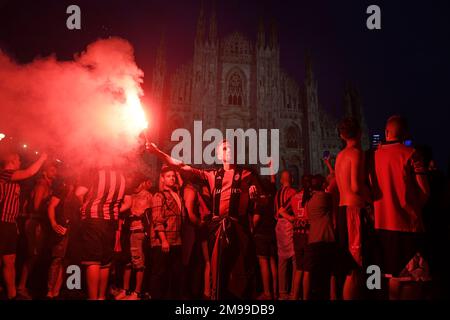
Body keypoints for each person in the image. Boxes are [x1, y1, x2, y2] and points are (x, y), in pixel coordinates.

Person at [146, 140, 260, 299]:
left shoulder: (248, 174)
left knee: (242, 270)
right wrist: (158, 152)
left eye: (232, 148)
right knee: (218, 270)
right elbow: (181, 166)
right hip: (218, 228)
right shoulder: (212, 175)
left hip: (239, 229)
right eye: (225, 148)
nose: (229, 151)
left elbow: (261, 202)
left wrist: (255, 198)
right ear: (219, 155)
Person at [370, 115, 430, 300]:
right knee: (412, 283)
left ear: (387, 132)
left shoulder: (372, 156)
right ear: (405, 133)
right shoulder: (411, 153)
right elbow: (425, 192)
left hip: (381, 228)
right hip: (407, 228)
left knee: (390, 282)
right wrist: (412, 207)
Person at [75, 160, 130, 300]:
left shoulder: (94, 174)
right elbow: (128, 203)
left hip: (92, 220)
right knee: (105, 261)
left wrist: (83, 206)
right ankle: (101, 297)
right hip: (110, 222)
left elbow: (78, 193)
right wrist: (113, 210)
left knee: (92, 260)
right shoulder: (122, 177)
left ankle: (93, 298)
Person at [0, 148, 47, 300]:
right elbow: (29, 172)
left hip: (8, 224)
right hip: (1, 223)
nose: (21, 162)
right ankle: (10, 293)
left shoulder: (13, 179)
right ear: (12, 161)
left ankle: (12, 294)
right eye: (19, 160)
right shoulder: (5, 174)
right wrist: (42, 158)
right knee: (7, 260)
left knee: (10, 260)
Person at [334, 117, 371, 299]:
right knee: (354, 268)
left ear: (341, 135)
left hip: (343, 211)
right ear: (359, 132)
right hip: (353, 212)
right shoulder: (356, 153)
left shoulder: (340, 156)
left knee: (351, 268)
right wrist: (371, 197)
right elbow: (356, 186)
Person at [18, 163, 57, 299]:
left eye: (55, 170)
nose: (55, 172)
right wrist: (51, 204)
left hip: (38, 223)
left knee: (34, 256)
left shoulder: (47, 185)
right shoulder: (42, 184)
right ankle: (21, 287)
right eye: (52, 169)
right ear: (45, 172)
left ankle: (25, 285)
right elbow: (35, 206)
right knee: (32, 255)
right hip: (36, 223)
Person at [114, 174, 152, 300]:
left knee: (138, 262)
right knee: (128, 262)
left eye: (137, 183)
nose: (135, 186)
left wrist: (134, 215)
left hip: (139, 231)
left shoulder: (147, 195)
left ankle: (137, 292)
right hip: (129, 231)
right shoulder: (131, 195)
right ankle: (126, 290)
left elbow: (147, 214)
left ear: (142, 183)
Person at [149, 166, 184, 299]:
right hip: (163, 242)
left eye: (173, 176)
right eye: (168, 176)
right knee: (159, 274)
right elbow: (157, 219)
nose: (172, 178)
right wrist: (163, 240)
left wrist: (178, 172)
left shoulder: (176, 194)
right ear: (162, 179)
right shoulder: (159, 195)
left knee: (173, 274)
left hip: (176, 240)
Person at [303, 175, 337, 300]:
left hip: (313, 239)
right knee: (332, 271)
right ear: (322, 184)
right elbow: (334, 183)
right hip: (326, 238)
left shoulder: (309, 200)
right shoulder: (325, 197)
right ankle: (333, 296)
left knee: (310, 271)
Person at [46, 175, 79, 299]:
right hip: (62, 229)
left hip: (73, 230)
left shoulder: (77, 193)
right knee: (57, 259)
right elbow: (51, 206)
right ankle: (50, 291)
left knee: (66, 261)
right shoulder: (62, 189)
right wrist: (54, 223)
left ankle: (57, 290)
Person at [183, 182, 212, 299]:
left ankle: (202, 291)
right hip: (199, 230)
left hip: (197, 230)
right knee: (206, 262)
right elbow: (190, 214)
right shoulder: (194, 192)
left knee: (201, 262)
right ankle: (206, 292)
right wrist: (201, 224)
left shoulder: (192, 191)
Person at [253, 178, 278, 300]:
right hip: (272, 233)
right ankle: (275, 291)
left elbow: (256, 219)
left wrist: (251, 228)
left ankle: (267, 293)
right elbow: (273, 184)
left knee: (264, 264)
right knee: (273, 262)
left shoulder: (261, 201)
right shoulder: (273, 197)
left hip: (261, 234)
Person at [274, 170, 297, 300]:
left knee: (282, 260)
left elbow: (276, 213)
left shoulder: (277, 194)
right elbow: (282, 211)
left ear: (282, 180)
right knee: (294, 260)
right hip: (288, 225)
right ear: (292, 179)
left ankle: (282, 292)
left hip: (279, 226)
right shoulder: (293, 193)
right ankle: (294, 290)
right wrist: (292, 219)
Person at [290, 174, 312, 300]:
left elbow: (280, 210)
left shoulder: (294, 197)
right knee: (307, 270)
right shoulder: (312, 197)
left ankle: (294, 296)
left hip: (297, 233)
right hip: (308, 234)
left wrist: (293, 219)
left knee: (299, 268)